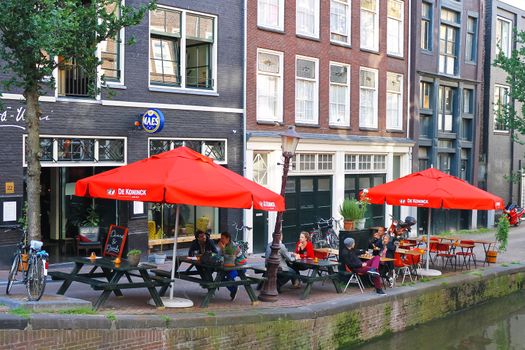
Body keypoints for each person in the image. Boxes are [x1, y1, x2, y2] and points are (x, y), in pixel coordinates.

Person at [217, 231, 240, 301]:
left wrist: (223, 249)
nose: (221, 240)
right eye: (221, 238)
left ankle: (233, 289)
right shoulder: (224, 245)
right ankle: (234, 288)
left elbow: (231, 258)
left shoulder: (233, 246)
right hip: (228, 266)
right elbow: (220, 256)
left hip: (238, 267)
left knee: (229, 277)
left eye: (223, 238)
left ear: (228, 239)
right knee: (220, 278)